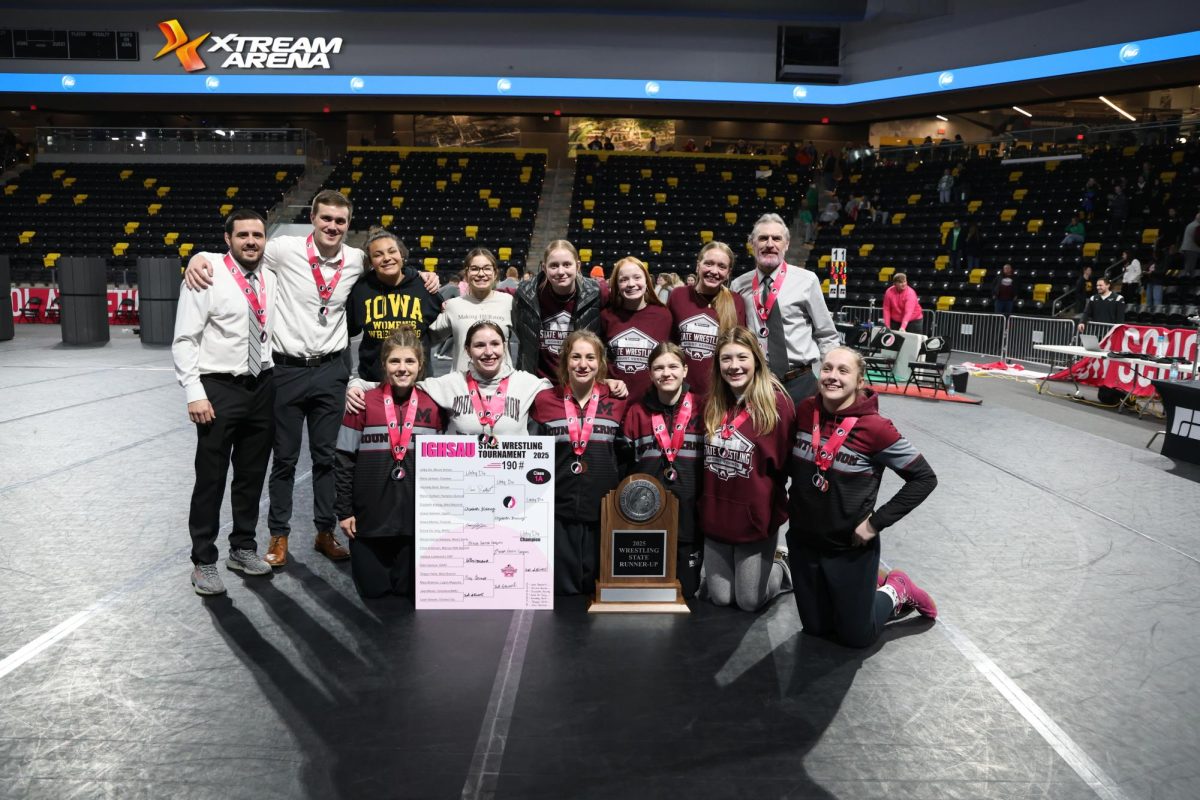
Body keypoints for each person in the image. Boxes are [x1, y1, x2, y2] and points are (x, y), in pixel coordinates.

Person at [182, 191, 439, 568]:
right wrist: (197, 257)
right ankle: (278, 536)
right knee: (283, 459)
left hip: (331, 369)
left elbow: (395, 267)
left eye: (340, 221)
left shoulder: (356, 259)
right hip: (285, 370)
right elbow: (236, 255)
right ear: (313, 218)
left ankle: (324, 531)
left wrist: (425, 275)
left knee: (327, 457)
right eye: (326, 219)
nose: (332, 226)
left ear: (348, 226)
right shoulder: (283, 249)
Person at [787, 347, 938, 647]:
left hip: (849, 548)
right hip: (805, 543)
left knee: (857, 636)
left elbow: (924, 478)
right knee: (816, 629)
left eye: (843, 371)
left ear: (859, 380)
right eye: (827, 368)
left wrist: (875, 523)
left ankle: (896, 588)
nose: (832, 376)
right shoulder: (805, 411)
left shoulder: (876, 428)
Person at [172, 209, 277, 595]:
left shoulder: (272, 276)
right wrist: (193, 391)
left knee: (251, 476)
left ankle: (243, 548)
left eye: (258, 235)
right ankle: (203, 560)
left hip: (262, 383)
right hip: (218, 387)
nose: (251, 241)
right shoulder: (207, 274)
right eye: (243, 235)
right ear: (227, 239)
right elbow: (184, 338)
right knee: (211, 478)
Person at [335, 330, 446, 599]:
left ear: (421, 365)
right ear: (384, 364)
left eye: (409, 361)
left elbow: (444, 466)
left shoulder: (434, 406)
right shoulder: (362, 403)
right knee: (374, 593)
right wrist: (345, 511)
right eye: (395, 361)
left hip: (414, 523)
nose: (402, 368)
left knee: (408, 595)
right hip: (369, 522)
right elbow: (344, 459)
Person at [696, 327, 795, 612]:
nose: (734, 366)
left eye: (742, 357)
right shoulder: (712, 402)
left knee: (750, 601)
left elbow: (786, 465)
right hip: (716, 515)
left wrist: (771, 513)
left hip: (755, 520)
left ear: (756, 359)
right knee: (722, 598)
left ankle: (782, 569)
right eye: (726, 359)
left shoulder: (777, 404)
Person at [528, 331, 628, 596]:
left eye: (590, 357)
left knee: (597, 591)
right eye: (576, 357)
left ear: (600, 363)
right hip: (558, 511)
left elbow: (625, 455)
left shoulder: (618, 401)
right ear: (564, 361)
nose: (583, 364)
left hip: (603, 510)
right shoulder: (543, 402)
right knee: (563, 595)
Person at [622, 343, 705, 598]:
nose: (666, 373)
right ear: (649, 373)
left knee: (686, 594)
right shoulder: (636, 412)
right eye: (658, 368)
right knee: (647, 595)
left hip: (690, 521)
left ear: (685, 370)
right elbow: (625, 467)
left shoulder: (703, 408)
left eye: (672, 366)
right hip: (647, 521)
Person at [730, 213, 839, 403]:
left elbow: (826, 334)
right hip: (756, 380)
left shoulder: (807, 280)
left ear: (786, 244)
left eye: (776, 238)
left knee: (801, 433)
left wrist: (834, 372)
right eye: (763, 238)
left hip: (800, 381)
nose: (770, 244)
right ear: (752, 244)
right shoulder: (739, 285)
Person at [343, 228, 443, 411]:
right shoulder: (361, 290)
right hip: (374, 383)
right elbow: (349, 331)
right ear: (371, 261)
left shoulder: (424, 286)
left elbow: (443, 323)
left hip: (418, 383)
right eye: (378, 254)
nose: (386, 258)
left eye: (392, 251)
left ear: (402, 254)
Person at [418, 321, 550, 437]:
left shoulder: (527, 383)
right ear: (468, 350)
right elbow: (408, 387)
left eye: (495, 344)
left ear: (504, 347)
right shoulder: (451, 384)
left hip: (512, 464)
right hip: (462, 465)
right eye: (479, 345)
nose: (488, 352)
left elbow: (560, 396)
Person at [514, 240, 607, 383]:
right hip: (538, 385)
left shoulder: (596, 294)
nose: (561, 271)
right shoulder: (526, 295)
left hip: (580, 385)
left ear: (578, 266)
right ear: (544, 268)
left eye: (567, 264)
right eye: (554, 266)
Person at [667, 241, 748, 398]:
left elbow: (741, 349)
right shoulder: (678, 295)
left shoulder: (736, 301)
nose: (714, 271)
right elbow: (669, 344)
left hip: (722, 393)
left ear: (729, 272)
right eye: (708, 264)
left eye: (721, 266)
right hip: (682, 392)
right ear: (698, 266)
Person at [427, 248, 515, 373]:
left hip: (502, 387)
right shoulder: (453, 306)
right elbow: (427, 338)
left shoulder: (509, 302)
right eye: (474, 269)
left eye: (487, 268)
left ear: (495, 273)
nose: (481, 273)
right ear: (466, 274)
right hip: (462, 387)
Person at [600, 257, 673, 401]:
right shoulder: (606, 316)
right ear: (616, 285)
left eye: (637, 277)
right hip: (614, 403)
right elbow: (598, 360)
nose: (631, 284)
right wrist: (605, 381)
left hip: (652, 404)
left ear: (647, 281)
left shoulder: (663, 316)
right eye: (623, 280)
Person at [1181, 211, 1200, 278]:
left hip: (1186, 248)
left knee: (1188, 266)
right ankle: (1185, 282)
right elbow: (1198, 239)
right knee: (1190, 267)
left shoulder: (1190, 224)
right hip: (1193, 249)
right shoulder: (1197, 226)